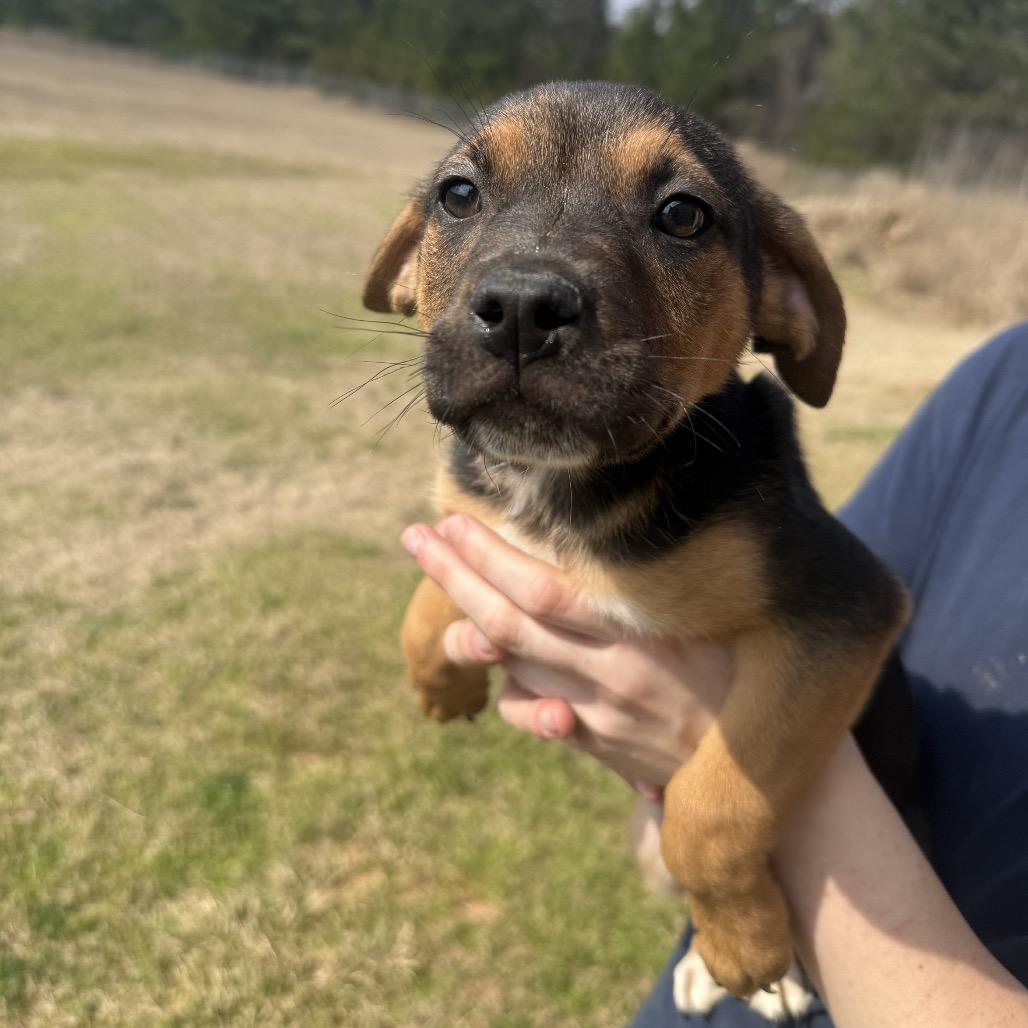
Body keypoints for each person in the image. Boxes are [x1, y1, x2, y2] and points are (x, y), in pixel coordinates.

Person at [400, 324, 1028, 1026]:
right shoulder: (1007, 381)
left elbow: (850, 614)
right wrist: (434, 646)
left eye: (677, 237)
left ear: (784, 302)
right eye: (460, 206)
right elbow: (838, 586)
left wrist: (715, 850)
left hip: (869, 934)